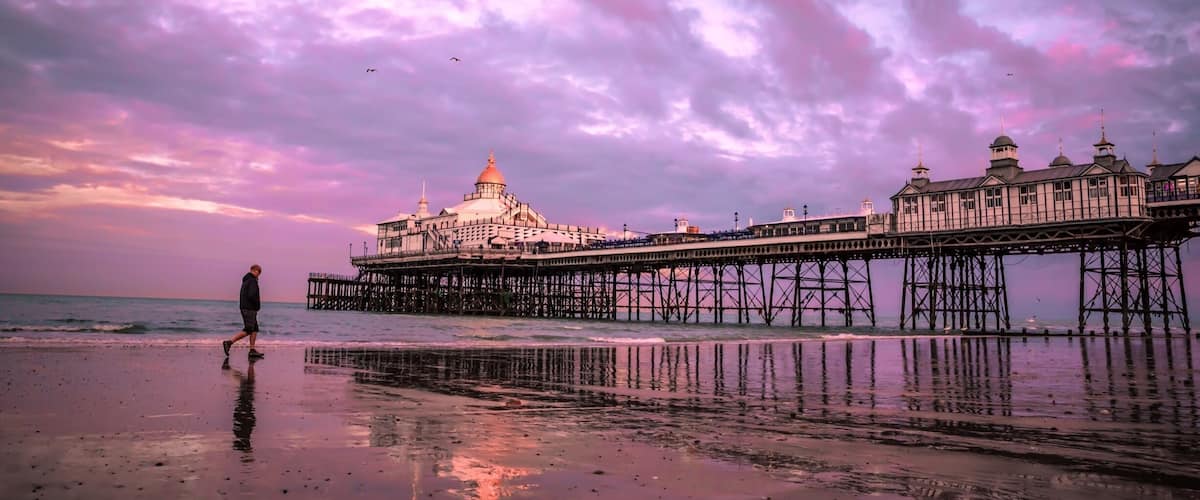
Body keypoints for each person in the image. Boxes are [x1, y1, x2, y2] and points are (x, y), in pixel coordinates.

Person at [223, 264, 264, 359]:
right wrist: (257, 305)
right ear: (255, 271)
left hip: (247, 307)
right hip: (249, 308)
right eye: (259, 273)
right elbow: (252, 295)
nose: (259, 275)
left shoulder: (246, 280)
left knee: (254, 329)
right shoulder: (252, 280)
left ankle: (252, 350)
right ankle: (229, 342)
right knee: (249, 329)